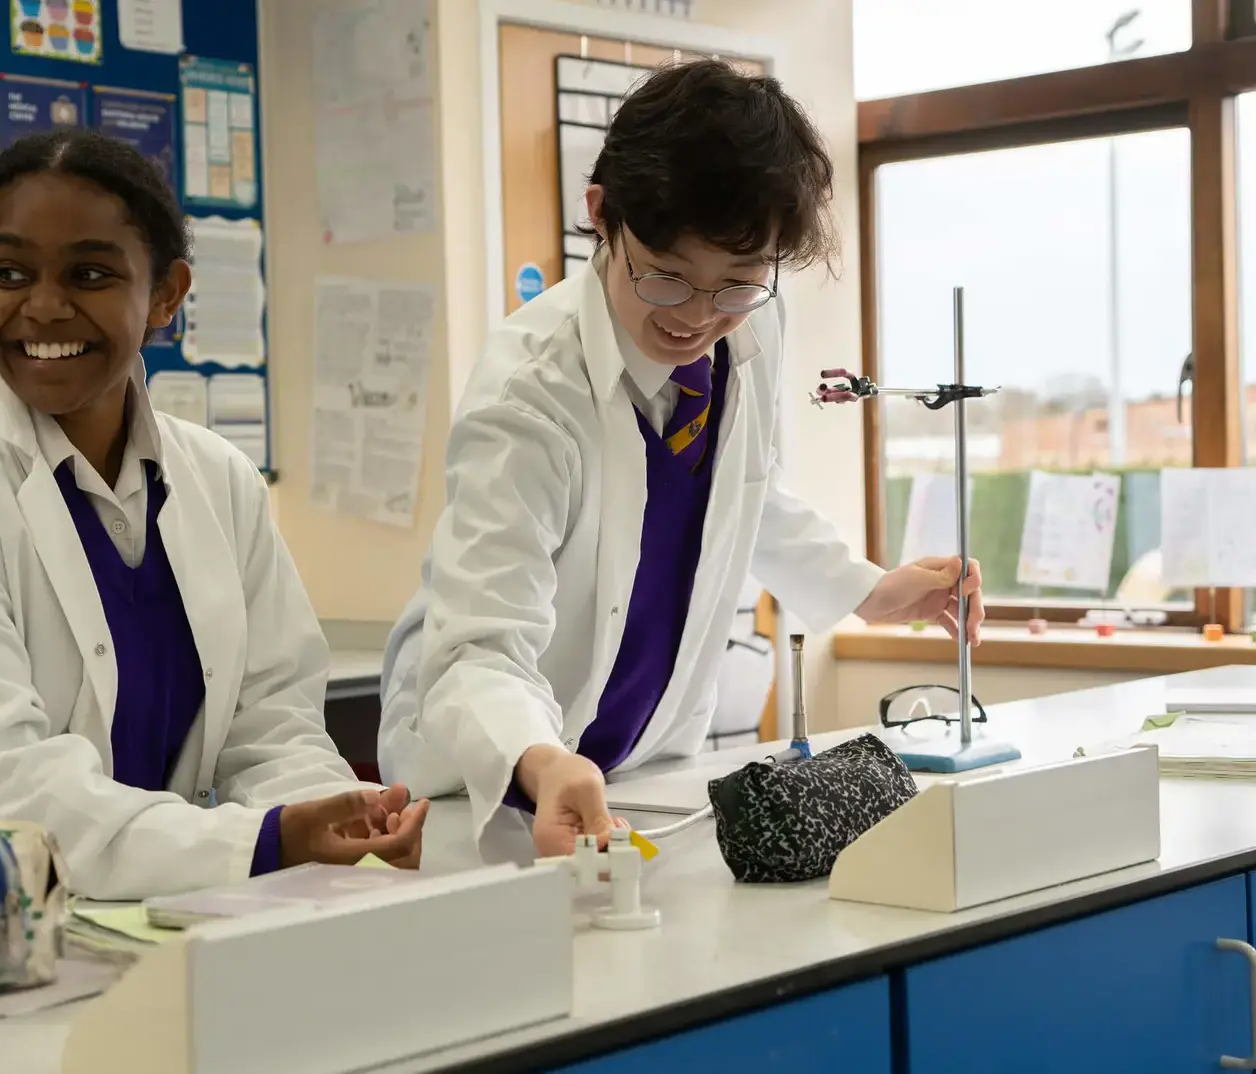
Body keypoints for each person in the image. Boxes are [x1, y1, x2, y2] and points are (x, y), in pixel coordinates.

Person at [377, 60, 983, 858]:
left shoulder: (752, 333)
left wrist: (868, 590)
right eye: (667, 278)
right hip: (494, 784)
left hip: (646, 767)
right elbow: (477, 646)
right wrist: (545, 758)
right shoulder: (530, 393)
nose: (697, 317)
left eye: (736, 283)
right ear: (602, 216)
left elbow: (745, 494)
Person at [0, 130, 428, 899]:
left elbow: (272, 725)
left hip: (142, 917)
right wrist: (263, 840)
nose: (43, 307)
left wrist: (335, 820)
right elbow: (3, 785)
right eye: (7, 273)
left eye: (89, 273)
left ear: (166, 294)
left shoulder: (220, 482)